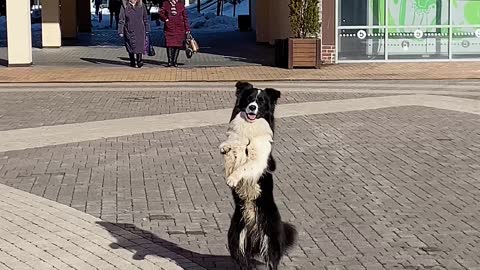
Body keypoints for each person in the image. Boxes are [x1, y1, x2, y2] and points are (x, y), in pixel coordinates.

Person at [118, 0, 151, 68]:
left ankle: (139, 60)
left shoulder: (142, 5)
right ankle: (132, 60)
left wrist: (147, 29)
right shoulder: (125, 6)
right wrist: (120, 30)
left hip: (140, 29)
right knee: (130, 45)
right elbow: (121, 19)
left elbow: (145, 18)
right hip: (129, 29)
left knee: (139, 44)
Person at [159, 0, 190, 67]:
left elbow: (185, 18)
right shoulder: (166, 3)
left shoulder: (181, 4)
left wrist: (187, 29)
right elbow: (161, 13)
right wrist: (166, 19)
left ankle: (175, 61)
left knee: (178, 45)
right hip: (169, 28)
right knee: (169, 44)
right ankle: (170, 61)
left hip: (180, 28)